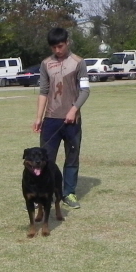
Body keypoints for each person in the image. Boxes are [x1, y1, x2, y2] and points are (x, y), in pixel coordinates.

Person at [33, 27, 90, 209]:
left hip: (72, 120)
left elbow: (85, 91)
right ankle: (44, 194)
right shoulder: (45, 64)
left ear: (67, 42)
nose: (57, 50)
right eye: (54, 47)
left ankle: (69, 193)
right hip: (51, 119)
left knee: (72, 157)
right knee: (45, 159)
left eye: (60, 46)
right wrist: (39, 117)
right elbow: (43, 91)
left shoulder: (79, 62)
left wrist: (74, 110)